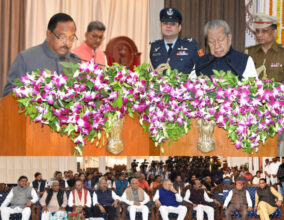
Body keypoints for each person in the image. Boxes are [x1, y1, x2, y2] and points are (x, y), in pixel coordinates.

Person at [3, 13, 80, 97]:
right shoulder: (26, 58)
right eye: (62, 37)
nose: (67, 43)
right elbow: (9, 94)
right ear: (48, 34)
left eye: (71, 38)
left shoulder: (75, 61)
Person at [150, 8, 199, 74]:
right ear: (161, 26)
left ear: (179, 28)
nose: (168, 26)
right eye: (165, 23)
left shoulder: (191, 46)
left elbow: (199, 71)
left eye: (173, 24)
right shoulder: (154, 47)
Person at [245, 13, 284, 82]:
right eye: (257, 31)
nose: (259, 35)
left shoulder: (282, 54)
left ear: (275, 32)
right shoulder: (248, 52)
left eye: (264, 31)